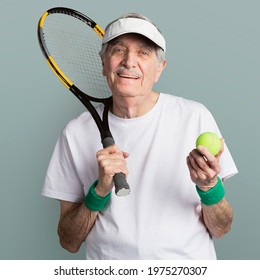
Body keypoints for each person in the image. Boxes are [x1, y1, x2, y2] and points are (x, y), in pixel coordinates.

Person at [42, 12, 238, 259]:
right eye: (118, 50)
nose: (129, 62)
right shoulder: (75, 133)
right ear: (103, 64)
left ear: (159, 69)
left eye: (143, 52)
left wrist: (209, 187)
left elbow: (222, 228)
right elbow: (69, 241)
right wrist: (99, 191)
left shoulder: (195, 116)